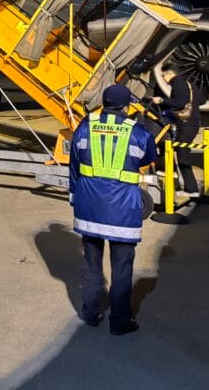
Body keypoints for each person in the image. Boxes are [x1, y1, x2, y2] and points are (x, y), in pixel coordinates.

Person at [69, 83, 157, 335]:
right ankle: (119, 322)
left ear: (104, 103)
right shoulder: (136, 131)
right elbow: (149, 156)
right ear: (126, 105)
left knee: (91, 263)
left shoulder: (85, 126)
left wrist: (75, 198)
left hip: (89, 206)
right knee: (121, 267)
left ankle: (91, 311)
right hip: (122, 208)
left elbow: (74, 165)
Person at [151, 59, 203, 195]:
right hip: (194, 123)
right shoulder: (188, 84)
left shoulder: (177, 84)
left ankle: (191, 189)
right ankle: (187, 184)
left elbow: (179, 103)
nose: (163, 79)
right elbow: (202, 99)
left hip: (186, 125)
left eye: (163, 76)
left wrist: (162, 100)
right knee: (181, 152)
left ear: (169, 74)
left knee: (182, 154)